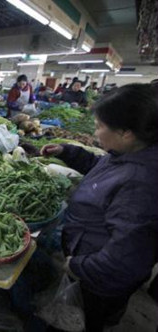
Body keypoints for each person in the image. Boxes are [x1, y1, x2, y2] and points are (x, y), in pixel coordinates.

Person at [40, 83, 158, 332]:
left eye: (99, 126)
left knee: (80, 322)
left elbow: (125, 259)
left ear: (126, 132)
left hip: (98, 282)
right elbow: (101, 166)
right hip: (90, 262)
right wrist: (67, 151)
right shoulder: (129, 153)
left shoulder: (141, 184)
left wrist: (77, 266)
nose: (95, 134)